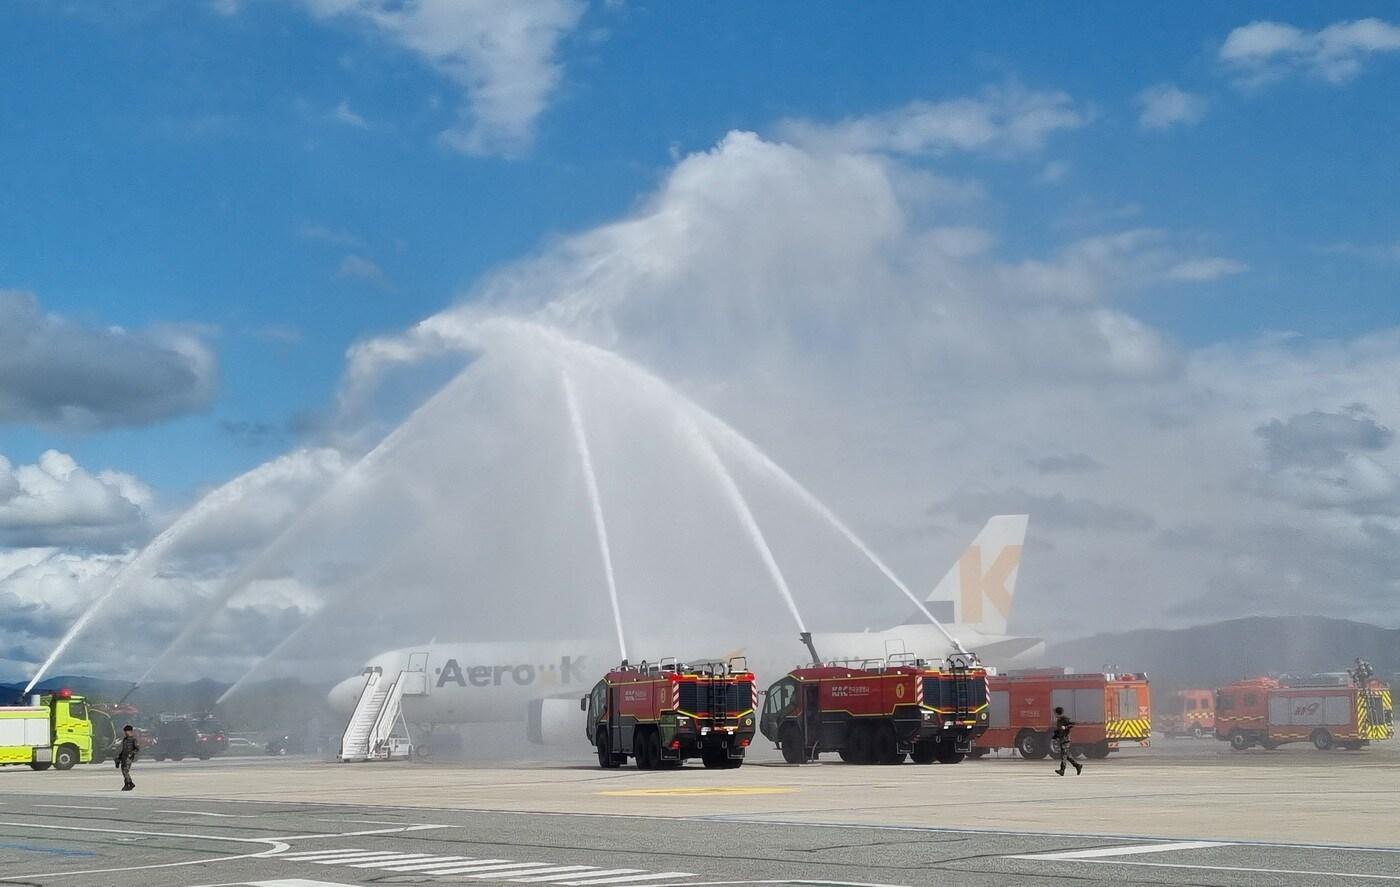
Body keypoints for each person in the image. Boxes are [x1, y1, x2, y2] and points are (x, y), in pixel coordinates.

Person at [1052, 706, 1081, 776]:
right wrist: (1056, 735)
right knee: (1067, 755)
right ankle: (1077, 766)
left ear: (1057, 713)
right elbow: (1059, 730)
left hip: (1066, 739)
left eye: (1055, 713)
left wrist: (1065, 727)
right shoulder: (1059, 720)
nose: (1054, 714)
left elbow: (1072, 724)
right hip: (1062, 739)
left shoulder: (1064, 719)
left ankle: (1062, 770)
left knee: (1063, 755)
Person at [116, 725, 139, 791]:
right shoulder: (125, 740)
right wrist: (119, 757)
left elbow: (137, 749)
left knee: (125, 771)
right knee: (123, 771)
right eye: (125, 731)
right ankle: (127, 784)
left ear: (131, 731)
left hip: (129, 758)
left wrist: (131, 753)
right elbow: (123, 749)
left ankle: (129, 783)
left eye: (127, 731)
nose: (126, 733)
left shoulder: (133, 739)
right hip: (123, 757)